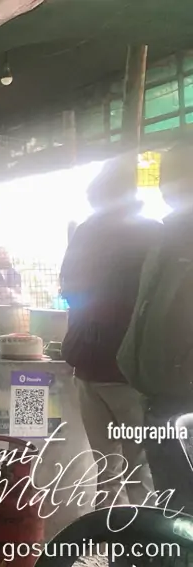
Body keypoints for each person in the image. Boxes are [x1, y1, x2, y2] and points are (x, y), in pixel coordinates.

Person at [60, 158, 158, 507]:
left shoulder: (88, 231)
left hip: (90, 367)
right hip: (129, 374)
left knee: (108, 471)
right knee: (140, 471)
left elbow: (68, 289)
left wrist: (90, 314)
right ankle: (141, 554)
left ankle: (115, 544)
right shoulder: (152, 232)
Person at [118, 145, 193, 511]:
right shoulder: (166, 237)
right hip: (156, 397)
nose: (167, 187)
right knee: (171, 504)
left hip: (183, 401)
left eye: (178, 176)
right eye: (165, 178)